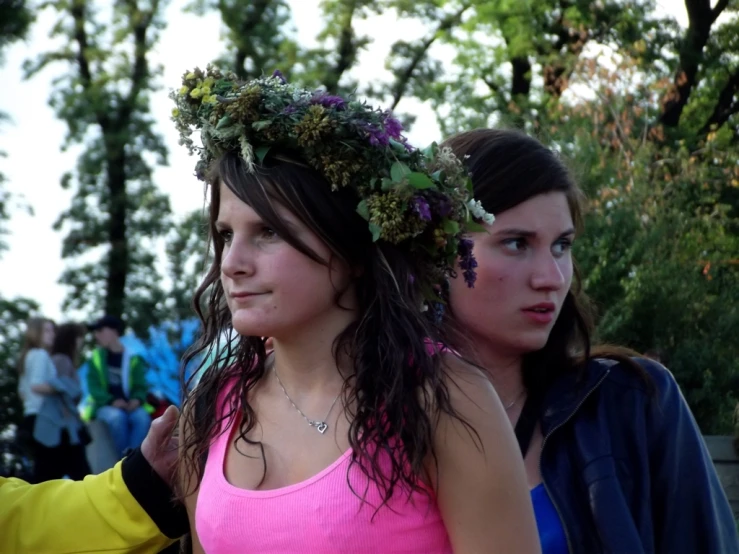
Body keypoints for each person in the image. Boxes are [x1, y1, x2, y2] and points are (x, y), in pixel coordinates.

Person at [172, 68, 540, 553]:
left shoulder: (443, 399)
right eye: (225, 235)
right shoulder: (210, 410)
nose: (232, 264)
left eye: (269, 232)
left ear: (350, 250)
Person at [440, 128, 739, 553]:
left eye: (562, 246)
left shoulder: (634, 403)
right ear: (437, 252)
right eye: (516, 243)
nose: (552, 277)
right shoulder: (369, 421)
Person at [1, 404, 187, 553]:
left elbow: (15, 520)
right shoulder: (96, 360)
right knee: (116, 418)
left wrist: (140, 481)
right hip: (99, 409)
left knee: (139, 417)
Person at [26, 321, 93, 481]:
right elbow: (60, 396)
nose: (81, 341)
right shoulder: (60, 360)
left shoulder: (46, 357)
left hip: (55, 426)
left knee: (46, 477)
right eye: (79, 337)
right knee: (81, 476)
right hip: (61, 427)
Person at [86, 315, 152, 458]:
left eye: (100, 330)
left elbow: (141, 386)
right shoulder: (96, 358)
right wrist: (112, 401)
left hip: (130, 406)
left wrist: (136, 400)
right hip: (106, 406)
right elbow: (94, 388)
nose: (96, 335)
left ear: (114, 332)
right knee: (117, 418)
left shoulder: (133, 357)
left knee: (142, 418)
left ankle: (135, 459)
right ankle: (124, 462)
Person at [16, 317, 65, 483]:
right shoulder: (41, 355)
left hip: (30, 417)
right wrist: (60, 388)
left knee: (41, 470)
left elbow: (22, 392)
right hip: (43, 419)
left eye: (53, 330)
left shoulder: (27, 356)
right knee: (48, 475)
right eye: (47, 330)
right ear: (36, 333)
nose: (53, 334)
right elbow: (36, 385)